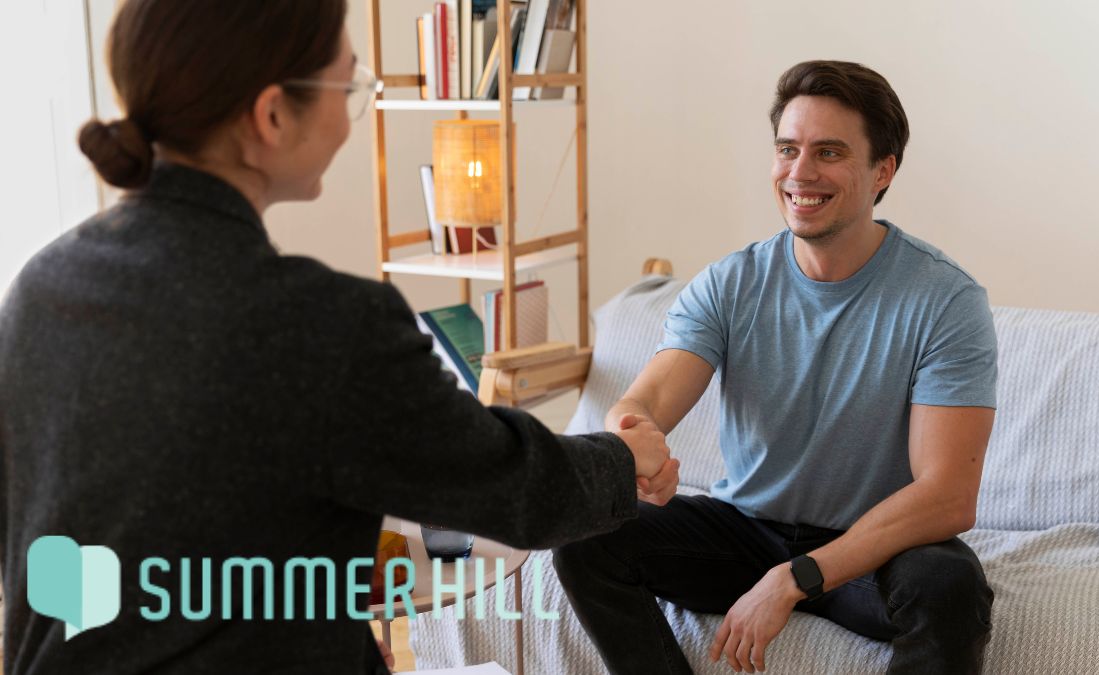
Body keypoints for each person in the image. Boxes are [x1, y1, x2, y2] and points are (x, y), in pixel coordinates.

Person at [0, 1, 678, 673]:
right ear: (270, 115)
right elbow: (513, 484)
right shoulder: (320, 322)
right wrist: (624, 456)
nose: (354, 109)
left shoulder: (40, 287)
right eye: (348, 85)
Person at [553, 60, 998, 674]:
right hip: (743, 531)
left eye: (829, 152)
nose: (800, 172)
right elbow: (645, 402)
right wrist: (632, 437)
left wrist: (794, 579)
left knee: (948, 586)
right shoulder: (731, 283)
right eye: (787, 149)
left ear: (882, 171)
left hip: (869, 548)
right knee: (587, 536)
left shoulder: (946, 300)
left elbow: (947, 496)